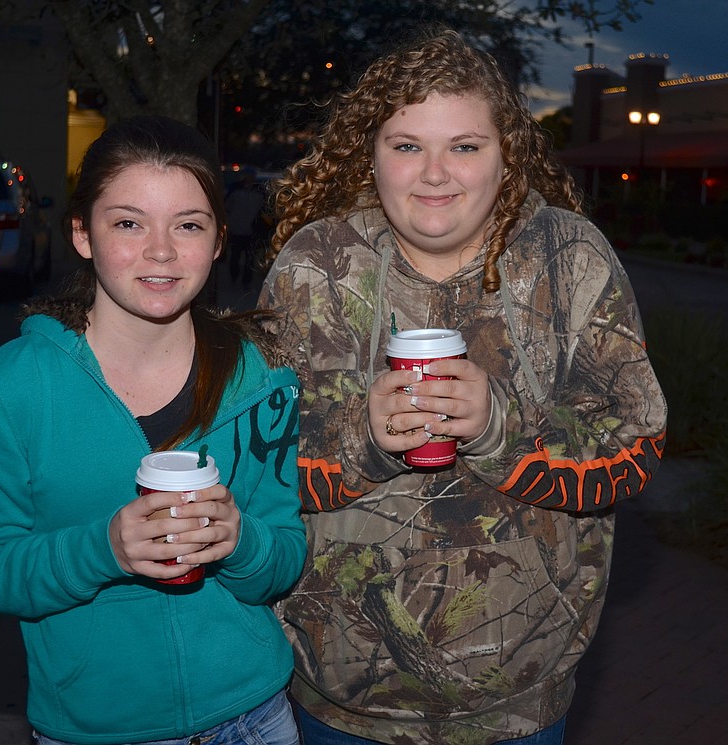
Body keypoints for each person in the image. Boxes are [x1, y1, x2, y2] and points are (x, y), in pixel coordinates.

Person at [257, 28, 667, 745]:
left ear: (507, 155)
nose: (435, 173)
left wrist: (498, 427)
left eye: (465, 146)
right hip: (340, 704)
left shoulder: (569, 259)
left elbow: (637, 444)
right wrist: (363, 437)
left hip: (516, 709)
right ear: (371, 153)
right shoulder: (314, 266)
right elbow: (255, 462)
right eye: (407, 144)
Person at [0, 115, 306, 745]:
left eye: (188, 225)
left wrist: (240, 539)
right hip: (95, 729)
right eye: (129, 223)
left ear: (219, 240)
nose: (161, 251)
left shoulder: (259, 377)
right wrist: (103, 549)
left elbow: (284, 558)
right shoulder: (6, 391)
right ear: (83, 234)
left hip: (256, 718)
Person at [225, 167, 267, 286]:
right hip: (237, 230)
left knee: (250, 259)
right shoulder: (235, 191)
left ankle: (246, 281)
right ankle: (234, 276)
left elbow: (263, 211)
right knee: (235, 256)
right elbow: (227, 207)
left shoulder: (258, 192)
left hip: (251, 231)